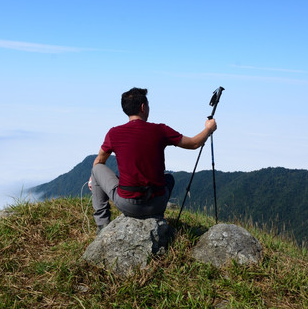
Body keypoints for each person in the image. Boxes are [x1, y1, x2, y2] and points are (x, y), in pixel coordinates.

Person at [89, 87, 217, 233]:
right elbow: (194, 143)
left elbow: (99, 161)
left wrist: (93, 180)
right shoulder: (160, 130)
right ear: (143, 107)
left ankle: (103, 226)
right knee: (169, 178)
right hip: (157, 204)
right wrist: (208, 129)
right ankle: (156, 216)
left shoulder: (113, 133)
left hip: (128, 205)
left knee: (96, 169)